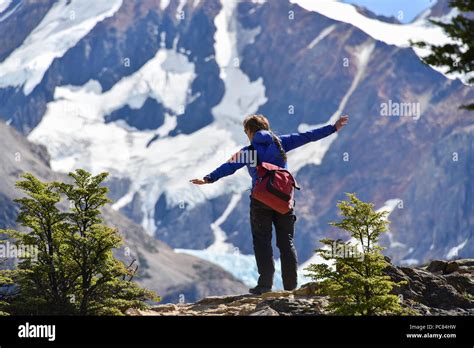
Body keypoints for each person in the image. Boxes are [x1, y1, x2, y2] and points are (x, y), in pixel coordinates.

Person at [191, 114, 348, 294]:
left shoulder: (249, 152)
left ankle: (265, 285)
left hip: (260, 200)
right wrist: (333, 128)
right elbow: (308, 136)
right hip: (283, 199)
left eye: (246, 131)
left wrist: (208, 178)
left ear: (250, 131)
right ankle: (291, 287)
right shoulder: (281, 143)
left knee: (262, 241)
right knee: (286, 242)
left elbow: (230, 166)